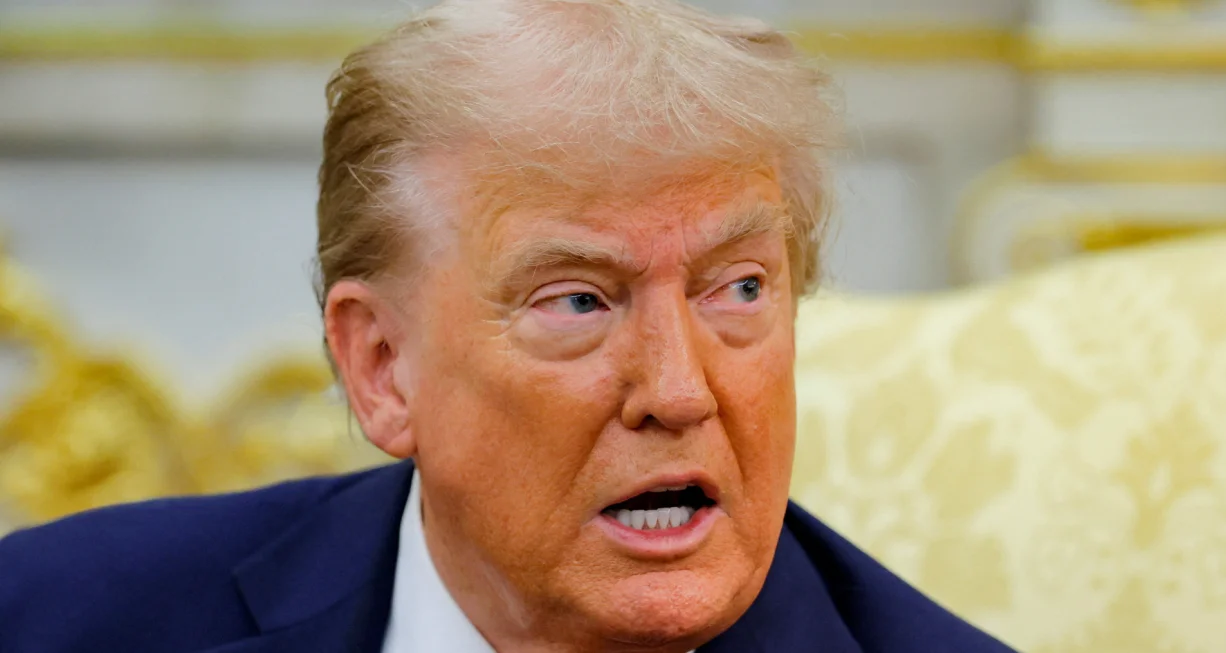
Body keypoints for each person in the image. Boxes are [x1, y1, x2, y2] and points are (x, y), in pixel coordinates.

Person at [0, 1, 1017, 651]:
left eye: (737, 288)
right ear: (382, 367)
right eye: (578, 300)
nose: (678, 390)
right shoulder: (54, 616)